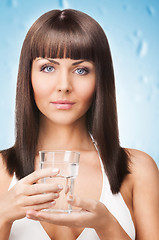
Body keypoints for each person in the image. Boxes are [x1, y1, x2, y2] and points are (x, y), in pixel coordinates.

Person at [0, 9, 158, 240]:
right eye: (48, 67)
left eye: (81, 70)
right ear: (28, 76)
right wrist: (2, 217)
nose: (64, 85)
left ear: (99, 80)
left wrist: (108, 227)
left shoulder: (137, 170)